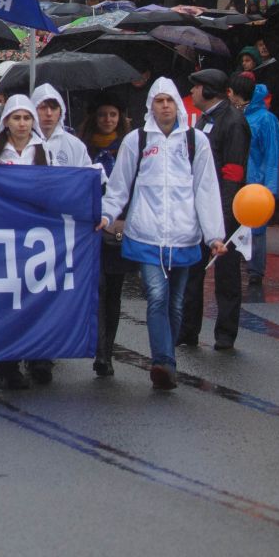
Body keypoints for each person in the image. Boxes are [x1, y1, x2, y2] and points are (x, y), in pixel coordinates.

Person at [99, 78, 228, 390]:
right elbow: (119, 185)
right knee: (157, 295)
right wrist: (106, 214)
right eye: (159, 101)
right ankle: (163, 362)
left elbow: (206, 189)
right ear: (151, 106)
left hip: (184, 235)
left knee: (176, 302)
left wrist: (214, 235)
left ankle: (165, 358)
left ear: (178, 105)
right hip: (146, 233)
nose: (165, 106)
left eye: (170, 100)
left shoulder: (196, 141)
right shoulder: (136, 140)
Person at [0, 95, 79, 390]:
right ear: (6, 121)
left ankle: (39, 355)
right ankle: (6, 365)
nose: (22, 124)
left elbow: (60, 186)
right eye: (16, 118)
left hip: (36, 237)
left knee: (38, 296)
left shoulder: (42, 152)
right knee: (8, 301)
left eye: (26, 118)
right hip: (4, 237)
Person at [183, 68, 249, 351]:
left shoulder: (233, 122)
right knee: (192, 272)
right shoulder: (204, 121)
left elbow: (233, 173)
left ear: (208, 90)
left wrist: (222, 218)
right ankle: (187, 331)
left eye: (195, 88)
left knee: (226, 276)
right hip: (200, 207)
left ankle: (225, 334)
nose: (192, 93)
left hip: (226, 212)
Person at [79, 97, 130, 376]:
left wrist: (123, 220)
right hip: (91, 227)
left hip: (118, 227)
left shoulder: (127, 146)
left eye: (113, 114)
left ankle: (108, 348)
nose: (108, 120)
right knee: (97, 289)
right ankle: (100, 351)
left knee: (114, 290)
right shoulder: (84, 147)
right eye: (103, 115)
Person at [233, 74, 279, 283]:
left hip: (256, 178)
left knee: (257, 226)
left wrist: (270, 186)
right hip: (237, 176)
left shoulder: (266, 118)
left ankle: (255, 270)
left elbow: (272, 153)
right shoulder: (235, 115)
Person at [32, 84, 89, 167]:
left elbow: (86, 175)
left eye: (53, 108)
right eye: (43, 108)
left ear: (61, 111)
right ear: (33, 110)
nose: (49, 113)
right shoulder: (21, 144)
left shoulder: (75, 145)